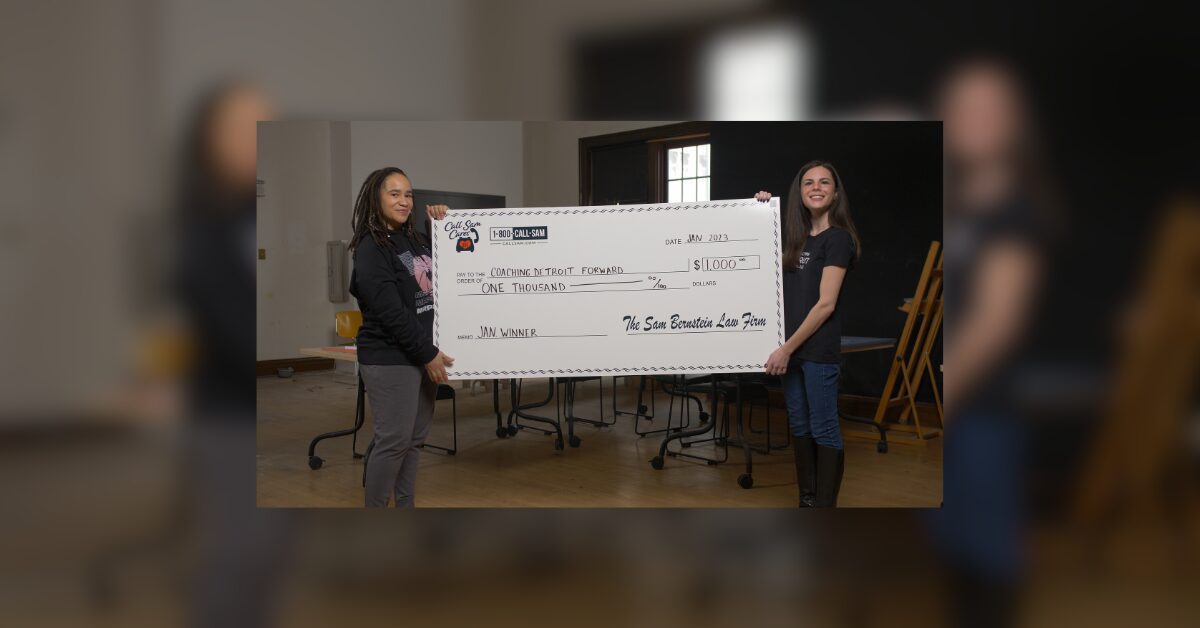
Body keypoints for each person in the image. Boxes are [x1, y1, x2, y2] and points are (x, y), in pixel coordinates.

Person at [755, 160, 861, 507]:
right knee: (799, 426)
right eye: (808, 183)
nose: (816, 187)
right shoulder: (794, 240)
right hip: (791, 352)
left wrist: (786, 349)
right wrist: (760, 209)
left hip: (816, 352)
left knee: (823, 428)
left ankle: (825, 507)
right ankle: (808, 502)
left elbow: (825, 305)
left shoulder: (839, 240)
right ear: (799, 193)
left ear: (835, 192)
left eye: (824, 182)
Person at [349, 167, 454, 507]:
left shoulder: (415, 238)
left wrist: (439, 225)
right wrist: (427, 354)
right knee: (393, 442)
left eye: (408, 194)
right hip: (392, 358)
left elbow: (449, 272)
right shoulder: (370, 249)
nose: (404, 201)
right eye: (394, 193)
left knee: (414, 441)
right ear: (375, 199)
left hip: (423, 356)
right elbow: (392, 313)